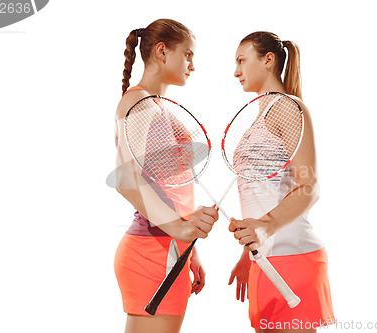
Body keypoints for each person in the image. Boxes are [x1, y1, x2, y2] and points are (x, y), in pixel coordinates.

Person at [112, 19, 218, 333]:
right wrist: (178, 230)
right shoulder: (138, 101)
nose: (192, 65)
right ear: (162, 51)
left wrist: (190, 247)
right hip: (151, 252)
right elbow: (124, 177)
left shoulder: (156, 104)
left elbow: (171, 189)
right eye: (187, 55)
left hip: (169, 250)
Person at [228, 31, 335, 333]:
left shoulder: (288, 108)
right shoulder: (259, 116)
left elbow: (309, 188)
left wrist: (264, 227)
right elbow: (260, 195)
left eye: (242, 60)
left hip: (293, 257)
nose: (236, 71)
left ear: (268, 60)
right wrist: (246, 254)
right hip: (264, 260)